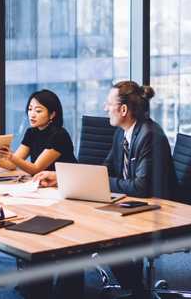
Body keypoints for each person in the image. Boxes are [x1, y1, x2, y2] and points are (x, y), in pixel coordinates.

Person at [33, 81, 178, 298]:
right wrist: (60, 178)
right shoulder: (123, 132)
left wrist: (100, 181)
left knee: (89, 234)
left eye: (108, 104)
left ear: (123, 110)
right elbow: (105, 169)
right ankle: (132, 287)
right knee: (76, 227)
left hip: (158, 211)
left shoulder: (150, 135)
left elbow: (141, 187)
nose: (104, 108)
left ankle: (134, 288)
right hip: (130, 204)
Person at [0, 89, 77, 176]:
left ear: (52, 115)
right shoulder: (31, 132)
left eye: (38, 111)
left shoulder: (59, 135)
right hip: (43, 183)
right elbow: (12, 164)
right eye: (30, 109)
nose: (32, 115)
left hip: (67, 183)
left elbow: (36, 169)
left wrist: (10, 156)